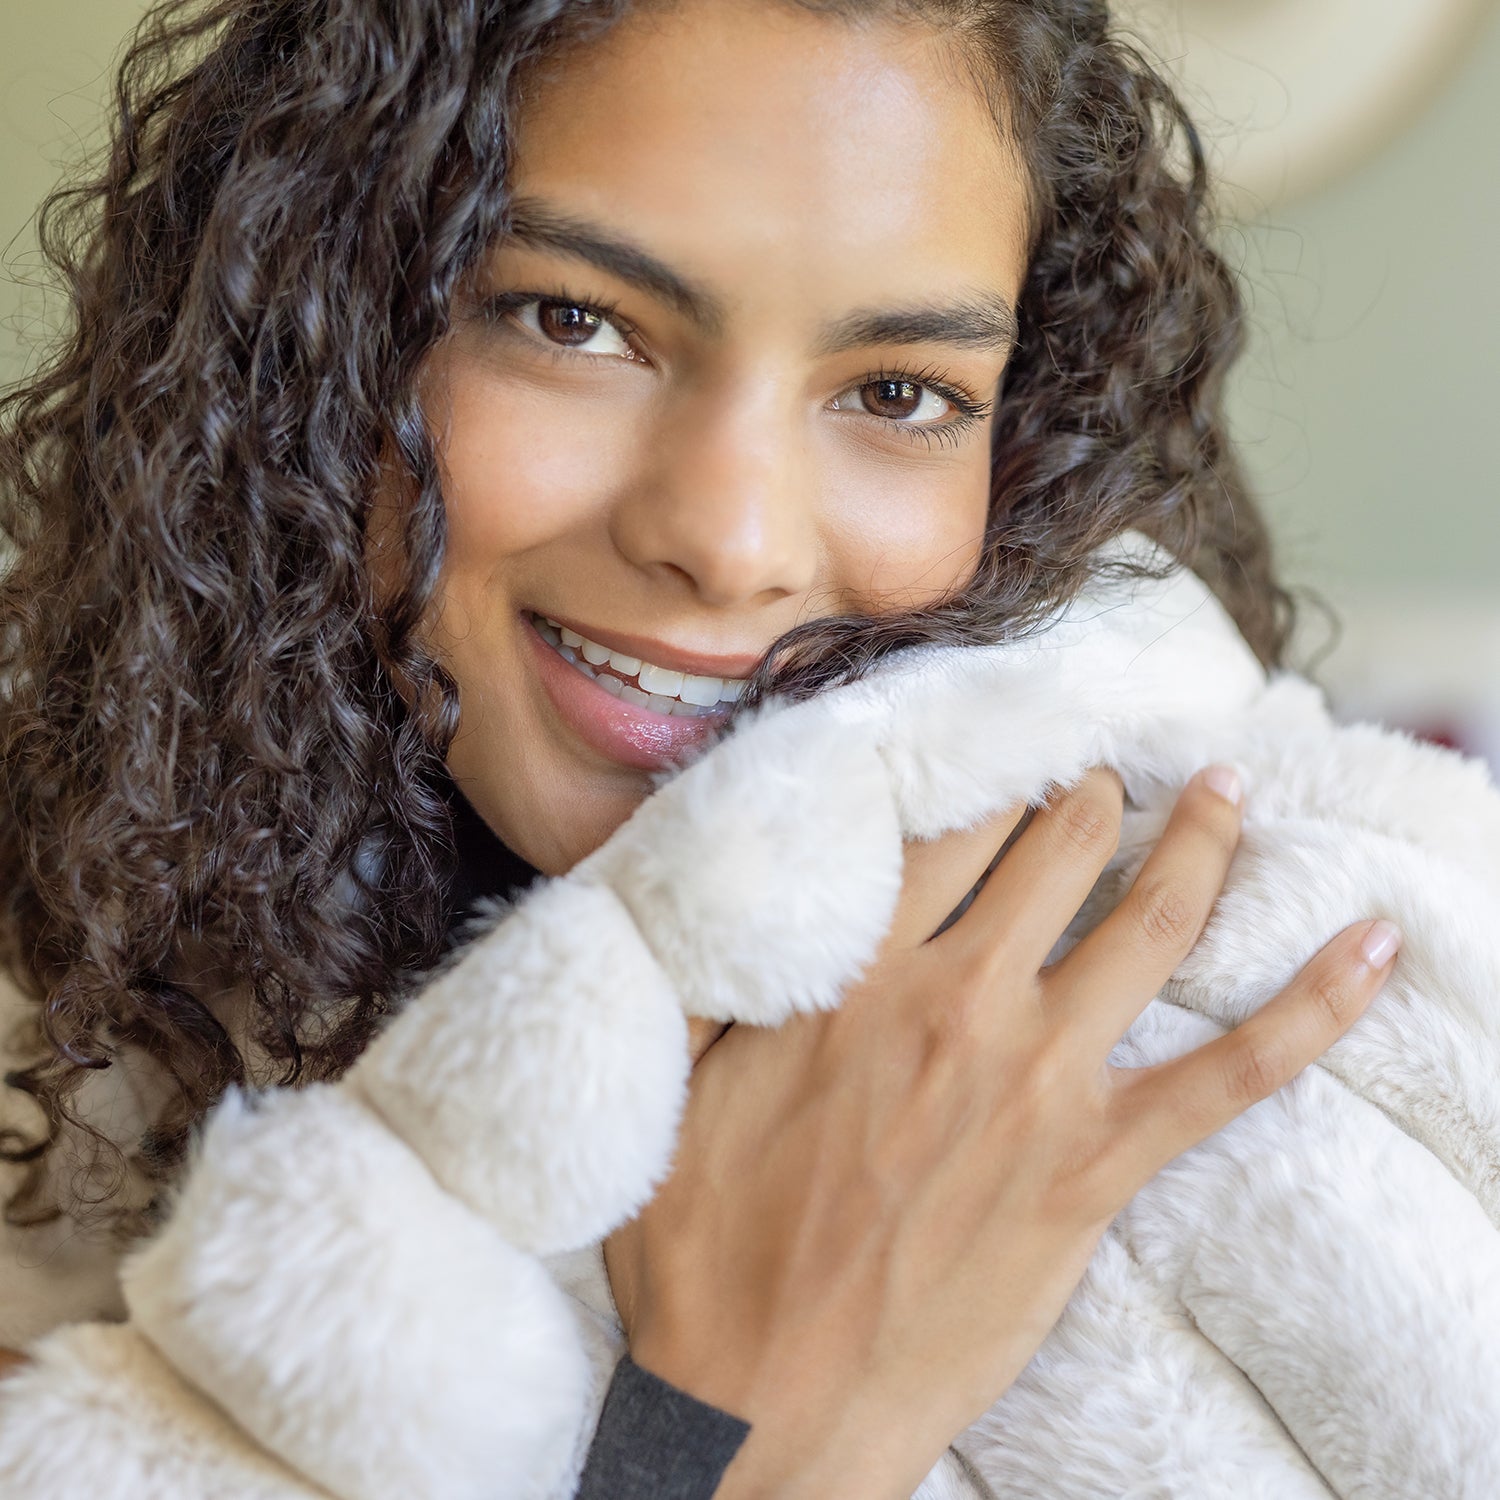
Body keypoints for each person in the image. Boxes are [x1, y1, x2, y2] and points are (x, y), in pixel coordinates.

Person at [3, 0, 1492, 1496]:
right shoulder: (66, 1073)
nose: (732, 542)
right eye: (569, 320)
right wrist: (741, 1438)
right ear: (310, 345)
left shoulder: (1286, 1030)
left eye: (899, 392)